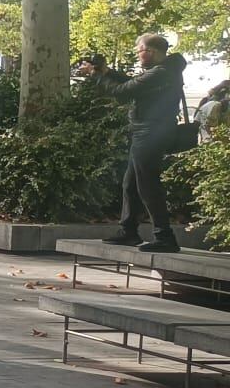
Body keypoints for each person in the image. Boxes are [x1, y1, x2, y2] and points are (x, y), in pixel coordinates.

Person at [79, 35, 189, 253]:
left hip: (152, 132)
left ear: (152, 51)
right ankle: (129, 231)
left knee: (148, 184)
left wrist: (95, 76)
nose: (138, 55)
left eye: (139, 50)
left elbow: (123, 92)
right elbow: (132, 84)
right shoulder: (164, 71)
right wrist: (107, 72)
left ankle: (164, 237)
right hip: (147, 132)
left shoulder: (161, 73)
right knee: (130, 183)